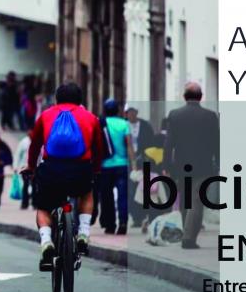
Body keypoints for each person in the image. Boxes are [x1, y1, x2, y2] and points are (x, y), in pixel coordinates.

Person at [25, 83, 104, 269]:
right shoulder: (91, 118)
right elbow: (98, 149)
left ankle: (46, 241)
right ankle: (84, 233)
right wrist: (96, 169)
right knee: (86, 193)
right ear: (80, 99)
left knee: (44, 207)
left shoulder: (45, 116)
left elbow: (34, 145)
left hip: (51, 170)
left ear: (56, 99)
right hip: (80, 170)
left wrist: (30, 167)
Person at [163, 82, 219, 250]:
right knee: (196, 201)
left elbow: (169, 143)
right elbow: (216, 142)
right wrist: (219, 162)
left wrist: (166, 165)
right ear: (201, 97)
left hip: (180, 166)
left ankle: (188, 234)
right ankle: (188, 238)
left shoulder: (174, 115)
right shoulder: (210, 116)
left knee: (186, 200)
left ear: (184, 97)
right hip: (203, 166)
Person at [97, 99, 136, 235]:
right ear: (117, 111)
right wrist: (134, 165)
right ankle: (123, 223)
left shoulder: (100, 123)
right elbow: (129, 145)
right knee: (123, 195)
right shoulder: (124, 124)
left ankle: (110, 225)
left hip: (105, 166)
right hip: (122, 165)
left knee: (106, 196)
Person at [124, 105, 155, 228]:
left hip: (144, 160)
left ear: (136, 112)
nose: (131, 114)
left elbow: (151, 142)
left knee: (143, 189)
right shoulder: (124, 125)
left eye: (133, 112)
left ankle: (143, 215)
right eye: (128, 112)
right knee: (131, 190)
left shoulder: (145, 126)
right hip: (128, 161)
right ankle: (136, 216)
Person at [14, 130, 33, 210]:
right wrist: (15, 166)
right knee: (25, 185)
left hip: (35, 167)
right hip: (24, 167)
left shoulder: (39, 141)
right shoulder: (23, 142)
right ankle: (24, 203)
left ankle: (35, 203)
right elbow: (18, 154)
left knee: (35, 185)